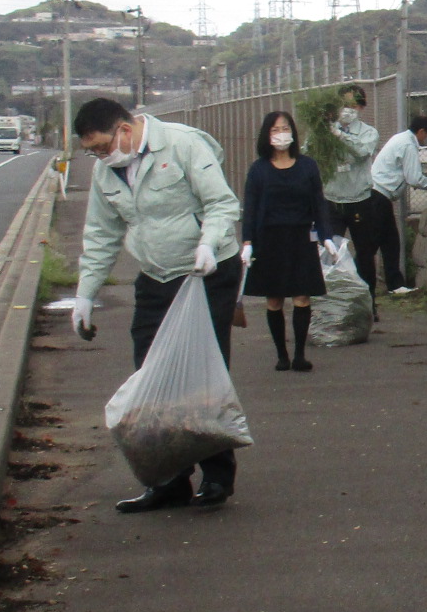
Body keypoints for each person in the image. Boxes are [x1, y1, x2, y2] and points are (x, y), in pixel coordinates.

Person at [69, 96, 246, 513]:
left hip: (206, 271)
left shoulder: (182, 145)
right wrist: (85, 294)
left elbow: (221, 203)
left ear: (124, 130)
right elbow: (101, 234)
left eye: (100, 147)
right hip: (155, 275)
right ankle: (168, 480)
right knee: (150, 372)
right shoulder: (105, 173)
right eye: (91, 151)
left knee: (203, 369)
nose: (98, 156)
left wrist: (208, 243)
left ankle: (218, 476)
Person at [241, 109, 342, 372]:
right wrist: (247, 241)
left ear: (293, 133)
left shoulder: (307, 166)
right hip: (269, 240)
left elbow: (318, 203)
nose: (281, 134)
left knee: (302, 297)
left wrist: (326, 237)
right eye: (275, 130)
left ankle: (299, 355)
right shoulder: (258, 169)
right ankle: (281, 354)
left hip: (300, 238)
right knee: (274, 300)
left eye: (285, 128)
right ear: (267, 135)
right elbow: (250, 208)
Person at [368, 115, 427, 295]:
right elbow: (414, 178)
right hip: (379, 196)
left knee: (390, 242)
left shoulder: (401, 139)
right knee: (372, 244)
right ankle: (363, 284)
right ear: (421, 131)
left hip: (378, 195)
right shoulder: (408, 145)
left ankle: (395, 285)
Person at [321, 85, 386, 302]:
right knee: (330, 251)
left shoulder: (368, 133)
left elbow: (361, 152)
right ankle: (331, 301)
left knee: (365, 254)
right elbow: (310, 151)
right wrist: (325, 130)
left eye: (353, 105)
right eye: (344, 105)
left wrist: (340, 135)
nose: (348, 109)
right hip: (332, 200)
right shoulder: (326, 130)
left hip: (360, 200)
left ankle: (368, 302)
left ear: (361, 107)